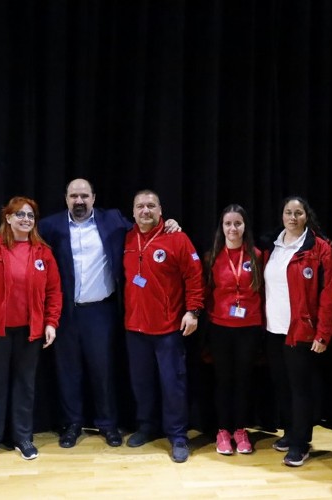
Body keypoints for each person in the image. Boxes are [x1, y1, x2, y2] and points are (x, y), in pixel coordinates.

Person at [37, 178, 180, 449]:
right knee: (68, 371)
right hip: (64, 313)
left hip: (100, 312)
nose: (79, 201)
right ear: (66, 199)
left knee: (103, 370)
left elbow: (145, 227)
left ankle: (107, 423)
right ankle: (72, 424)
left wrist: (169, 224)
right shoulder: (50, 226)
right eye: (74, 196)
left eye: (84, 196)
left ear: (94, 197)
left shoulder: (113, 221)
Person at [0, 196, 62, 462]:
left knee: (25, 385)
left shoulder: (43, 252)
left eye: (30, 215)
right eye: (20, 214)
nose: (26, 219)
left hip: (30, 331)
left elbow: (54, 291)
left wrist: (51, 322)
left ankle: (22, 437)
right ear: (8, 218)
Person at [123, 189, 204, 463]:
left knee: (173, 384)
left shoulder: (177, 238)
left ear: (160, 210)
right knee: (141, 382)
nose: (145, 210)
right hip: (135, 328)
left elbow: (194, 276)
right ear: (133, 212)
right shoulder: (127, 238)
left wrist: (193, 311)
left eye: (151, 205)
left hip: (168, 328)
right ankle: (147, 427)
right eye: (140, 206)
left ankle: (178, 436)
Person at [261, 195, 332, 467]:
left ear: (307, 216)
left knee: (300, 390)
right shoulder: (273, 245)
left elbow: (329, 294)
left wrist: (324, 333)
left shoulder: (320, 249)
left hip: (301, 331)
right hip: (274, 330)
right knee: (282, 386)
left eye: (298, 213)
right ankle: (290, 433)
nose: (292, 218)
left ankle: (300, 444)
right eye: (288, 212)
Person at [204, 204, 264, 455]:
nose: (232, 228)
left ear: (245, 226)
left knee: (243, 380)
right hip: (220, 327)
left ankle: (240, 430)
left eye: (237, 223)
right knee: (223, 380)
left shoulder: (257, 256)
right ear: (222, 227)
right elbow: (207, 292)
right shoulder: (212, 257)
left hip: (248, 328)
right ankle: (222, 431)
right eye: (228, 223)